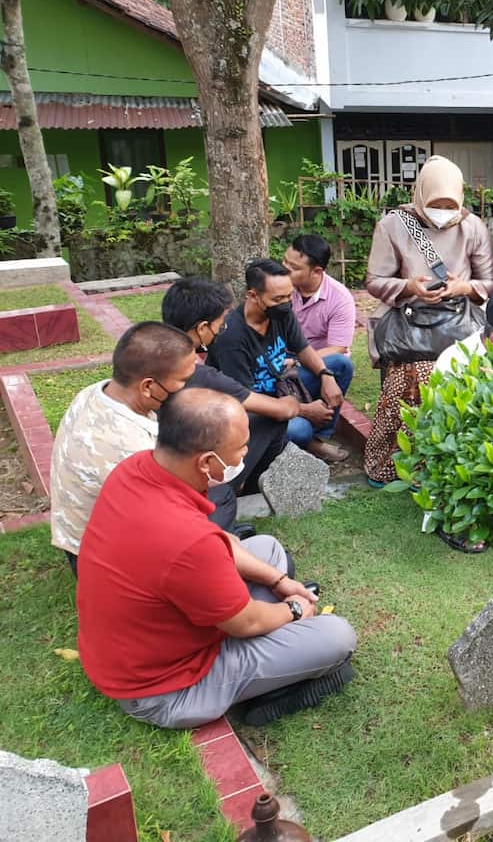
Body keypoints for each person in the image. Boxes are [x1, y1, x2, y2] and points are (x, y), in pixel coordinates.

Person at [76, 388, 356, 729]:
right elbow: (246, 623)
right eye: (240, 449)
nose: (244, 456)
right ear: (207, 462)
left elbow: (218, 539)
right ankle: (274, 693)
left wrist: (279, 581)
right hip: (163, 692)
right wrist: (296, 609)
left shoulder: (135, 469)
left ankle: (279, 664)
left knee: (267, 550)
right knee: (336, 637)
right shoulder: (188, 544)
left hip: (131, 649)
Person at [364, 155, 493, 487]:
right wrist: (410, 286)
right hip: (410, 323)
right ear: (420, 193)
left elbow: (491, 281)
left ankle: (449, 463)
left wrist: (462, 286)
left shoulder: (472, 226)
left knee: (456, 381)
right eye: (436, 203)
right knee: (411, 378)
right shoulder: (394, 224)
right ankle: (393, 464)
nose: (443, 211)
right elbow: (375, 280)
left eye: (449, 204)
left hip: (460, 322)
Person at [49, 322, 197, 575]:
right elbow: (169, 521)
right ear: (148, 387)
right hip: (101, 562)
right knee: (213, 500)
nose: (187, 388)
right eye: (183, 380)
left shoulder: (94, 393)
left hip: (77, 541)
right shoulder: (132, 448)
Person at [162, 277, 295, 512]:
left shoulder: (149, 352)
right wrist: (297, 406)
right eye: (220, 325)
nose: (222, 331)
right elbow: (278, 409)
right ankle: (240, 492)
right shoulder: (200, 375)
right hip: (184, 476)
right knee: (270, 419)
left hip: (163, 457)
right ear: (202, 328)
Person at [206, 260, 347, 471]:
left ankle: (315, 441)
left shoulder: (281, 313)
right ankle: (288, 446)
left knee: (340, 365)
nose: (287, 303)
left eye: (290, 295)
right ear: (253, 295)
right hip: (252, 408)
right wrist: (303, 410)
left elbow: (303, 348)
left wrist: (326, 376)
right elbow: (244, 399)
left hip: (280, 388)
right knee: (299, 429)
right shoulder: (232, 338)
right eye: (278, 298)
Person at [282, 234, 356, 462]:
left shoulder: (339, 298)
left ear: (317, 272)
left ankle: (318, 438)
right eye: (284, 262)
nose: (284, 270)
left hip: (309, 365)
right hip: (277, 365)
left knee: (341, 364)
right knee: (296, 431)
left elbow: (338, 347)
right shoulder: (277, 288)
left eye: (293, 267)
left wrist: (298, 361)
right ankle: (307, 439)